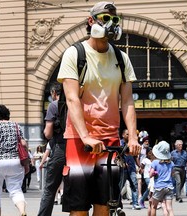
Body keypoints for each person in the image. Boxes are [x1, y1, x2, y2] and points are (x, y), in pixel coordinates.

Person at [57, 2, 141, 215]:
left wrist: (132, 137)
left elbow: (128, 101)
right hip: (79, 140)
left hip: (110, 139)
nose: (110, 24)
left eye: (114, 19)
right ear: (91, 21)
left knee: (105, 204)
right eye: (105, 18)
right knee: (79, 207)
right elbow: (72, 99)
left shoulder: (122, 59)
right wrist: (85, 137)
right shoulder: (74, 54)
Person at [0, 104, 28, 216]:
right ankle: (22, 211)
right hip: (16, 162)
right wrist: (27, 163)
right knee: (16, 190)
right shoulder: (16, 126)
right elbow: (23, 144)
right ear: (7, 114)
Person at [38, 82, 66, 216]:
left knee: (50, 188)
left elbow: (48, 134)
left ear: (54, 93)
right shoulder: (76, 102)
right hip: (77, 149)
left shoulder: (54, 105)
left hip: (60, 148)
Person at [149, 141, 175, 216]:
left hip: (159, 187)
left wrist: (155, 173)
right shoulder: (171, 163)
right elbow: (172, 174)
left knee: (154, 206)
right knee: (169, 208)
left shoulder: (155, 163)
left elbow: (150, 174)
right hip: (169, 187)